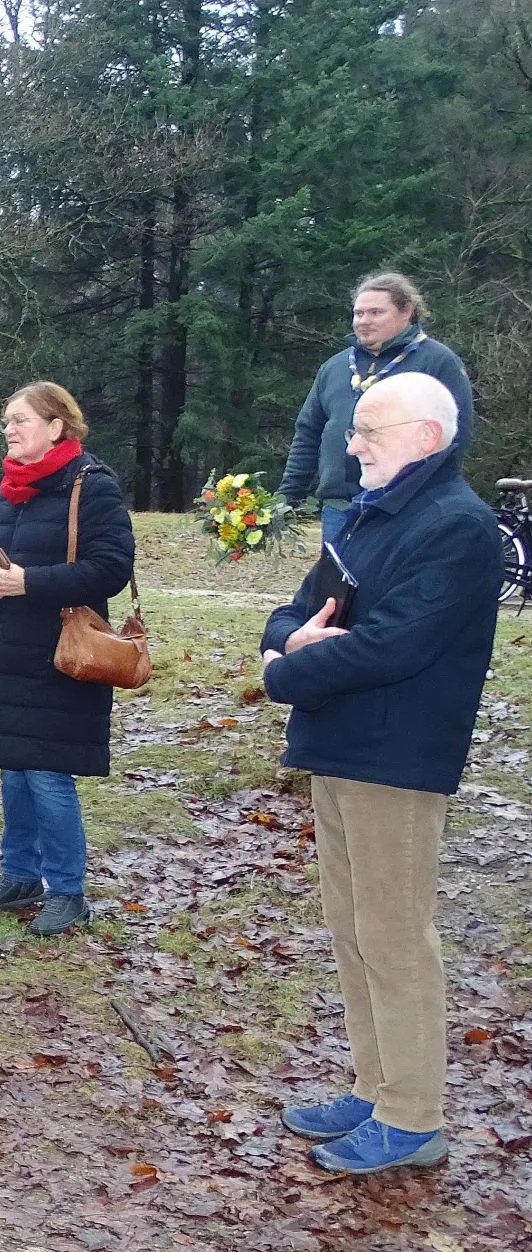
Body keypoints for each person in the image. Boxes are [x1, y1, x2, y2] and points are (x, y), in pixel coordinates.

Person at [260, 373, 499, 1175]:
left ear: (427, 436)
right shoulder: (373, 513)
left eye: (368, 430)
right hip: (340, 745)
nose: (351, 444)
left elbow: (389, 647)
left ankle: (411, 1115)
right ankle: (375, 1087)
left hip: (396, 758)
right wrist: (291, 644)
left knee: (395, 938)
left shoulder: (457, 527)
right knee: (353, 930)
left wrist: (285, 669)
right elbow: (295, 610)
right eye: (353, 430)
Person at [0, 383, 136, 937]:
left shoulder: (91, 486)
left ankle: (68, 890)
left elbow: (112, 569)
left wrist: (29, 582)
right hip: (4, 652)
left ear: (57, 426)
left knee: (47, 773)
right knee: (14, 766)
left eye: (20, 420)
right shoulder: (4, 492)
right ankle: (20, 875)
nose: (9, 430)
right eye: (5, 422)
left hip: (60, 655)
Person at [280, 272, 474, 545]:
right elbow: (308, 433)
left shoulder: (438, 362)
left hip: (404, 508)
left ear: (406, 311)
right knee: (337, 587)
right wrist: (288, 495)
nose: (363, 321)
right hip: (339, 508)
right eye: (358, 313)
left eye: (375, 312)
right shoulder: (334, 367)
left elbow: (456, 436)